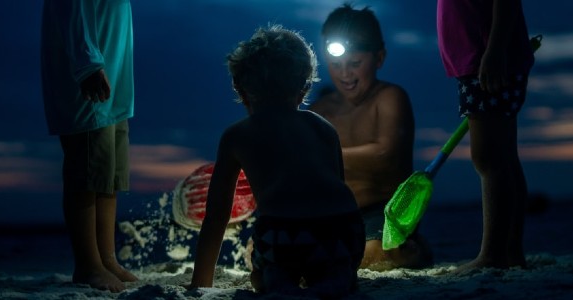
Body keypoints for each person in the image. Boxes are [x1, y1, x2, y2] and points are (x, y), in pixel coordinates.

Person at [188, 25, 365, 298]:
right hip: (345, 234)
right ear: (304, 89)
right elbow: (338, 191)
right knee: (329, 259)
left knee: (259, 267)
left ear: (240, 87)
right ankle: (337, 275)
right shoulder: (323, 127)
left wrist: (200, 283)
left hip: (286, 236)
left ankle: (275, 278)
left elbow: (216, 216)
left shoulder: (237, 135)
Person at [307, 3, 433, 271]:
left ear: (379, 58)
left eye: (355, 63)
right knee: (264, 249)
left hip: (381, 211)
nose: (345, 73)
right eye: (336, 64)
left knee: (375, 255)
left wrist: (319, 156)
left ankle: (412, 248)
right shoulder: (318, 110)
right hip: (330, 214)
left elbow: (385, 155)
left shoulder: (389, 98)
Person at [40, 0, 137, 292]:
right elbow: (68, 7)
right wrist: (87, 65)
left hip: (115, 73)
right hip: (88, 71)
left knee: (107, 175)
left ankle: (106, 258)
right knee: (86, 171)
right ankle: (87, 264)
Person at [437, 0, 535, 272]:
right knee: (504, 158)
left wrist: (495, 49)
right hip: (482, 58)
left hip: (486, 58)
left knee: (489, 158)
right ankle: (511, 252)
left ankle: (493, 256)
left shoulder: (491, 53)